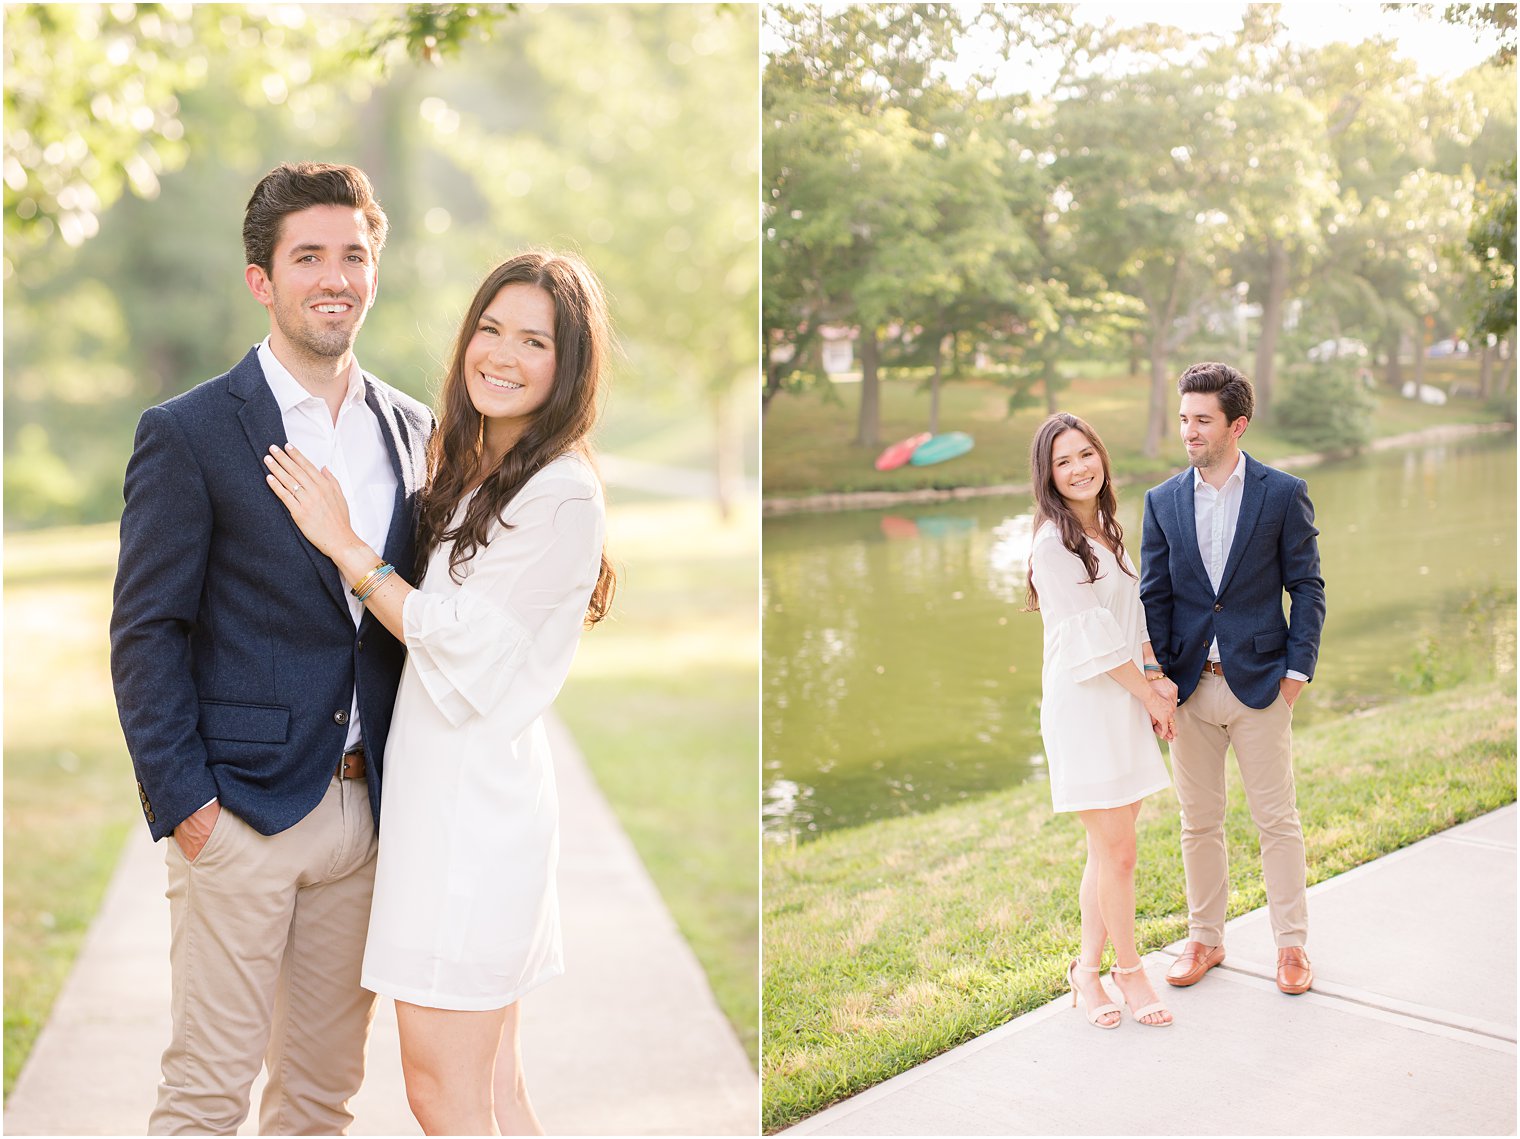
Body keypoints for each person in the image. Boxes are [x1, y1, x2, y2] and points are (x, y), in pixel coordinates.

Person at [109, 161, 432, 1134]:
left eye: (353, 254)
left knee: (319, 1098)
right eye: (309, 257)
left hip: (369, 819)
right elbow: (144, 632)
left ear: (374, 268)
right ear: (262, 279)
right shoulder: (191, 431)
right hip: (241, 816)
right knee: (206, 1097)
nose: (334, 276)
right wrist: (190, 809)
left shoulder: (413, 430)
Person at [264, 250, 617, 1134]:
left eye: (533, 341)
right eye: (490, 329)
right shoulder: (473, 470)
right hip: (446, 809)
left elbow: (462, 644)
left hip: (474, 825)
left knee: (443, 1094)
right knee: (495, 1092)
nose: (501, 353)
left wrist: (347, 547)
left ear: (567, 366)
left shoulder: (562, 491)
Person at [1139, 362, 1326, 995]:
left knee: (1277, 820)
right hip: (1190, 690)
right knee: (1199, 822)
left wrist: (1296, 672)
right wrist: (1158, 679)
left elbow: (1307, 587)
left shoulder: (1281, 493)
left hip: (1262, 685)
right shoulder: (1162, 501)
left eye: (1202, 420)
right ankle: (1205, 941)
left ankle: (1292, 948)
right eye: (1184, 418)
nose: (1189, 431)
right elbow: (1155, 595)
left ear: (1236, 425)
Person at [1025, 412, 1178, 1029]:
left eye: (1086, 454)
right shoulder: (1051, 544)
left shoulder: (1108, 530)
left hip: (1123, 696)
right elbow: (1091, 641)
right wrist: (1149, 696)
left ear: (1102, 457)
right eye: (1064, 461)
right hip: (1088, 706)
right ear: (1048, 475)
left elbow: (1131, 621)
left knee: (1106, 851)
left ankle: (1085, 975)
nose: (1079, 468)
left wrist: (1157, 676)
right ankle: (1129, 970)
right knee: (1119, 854)